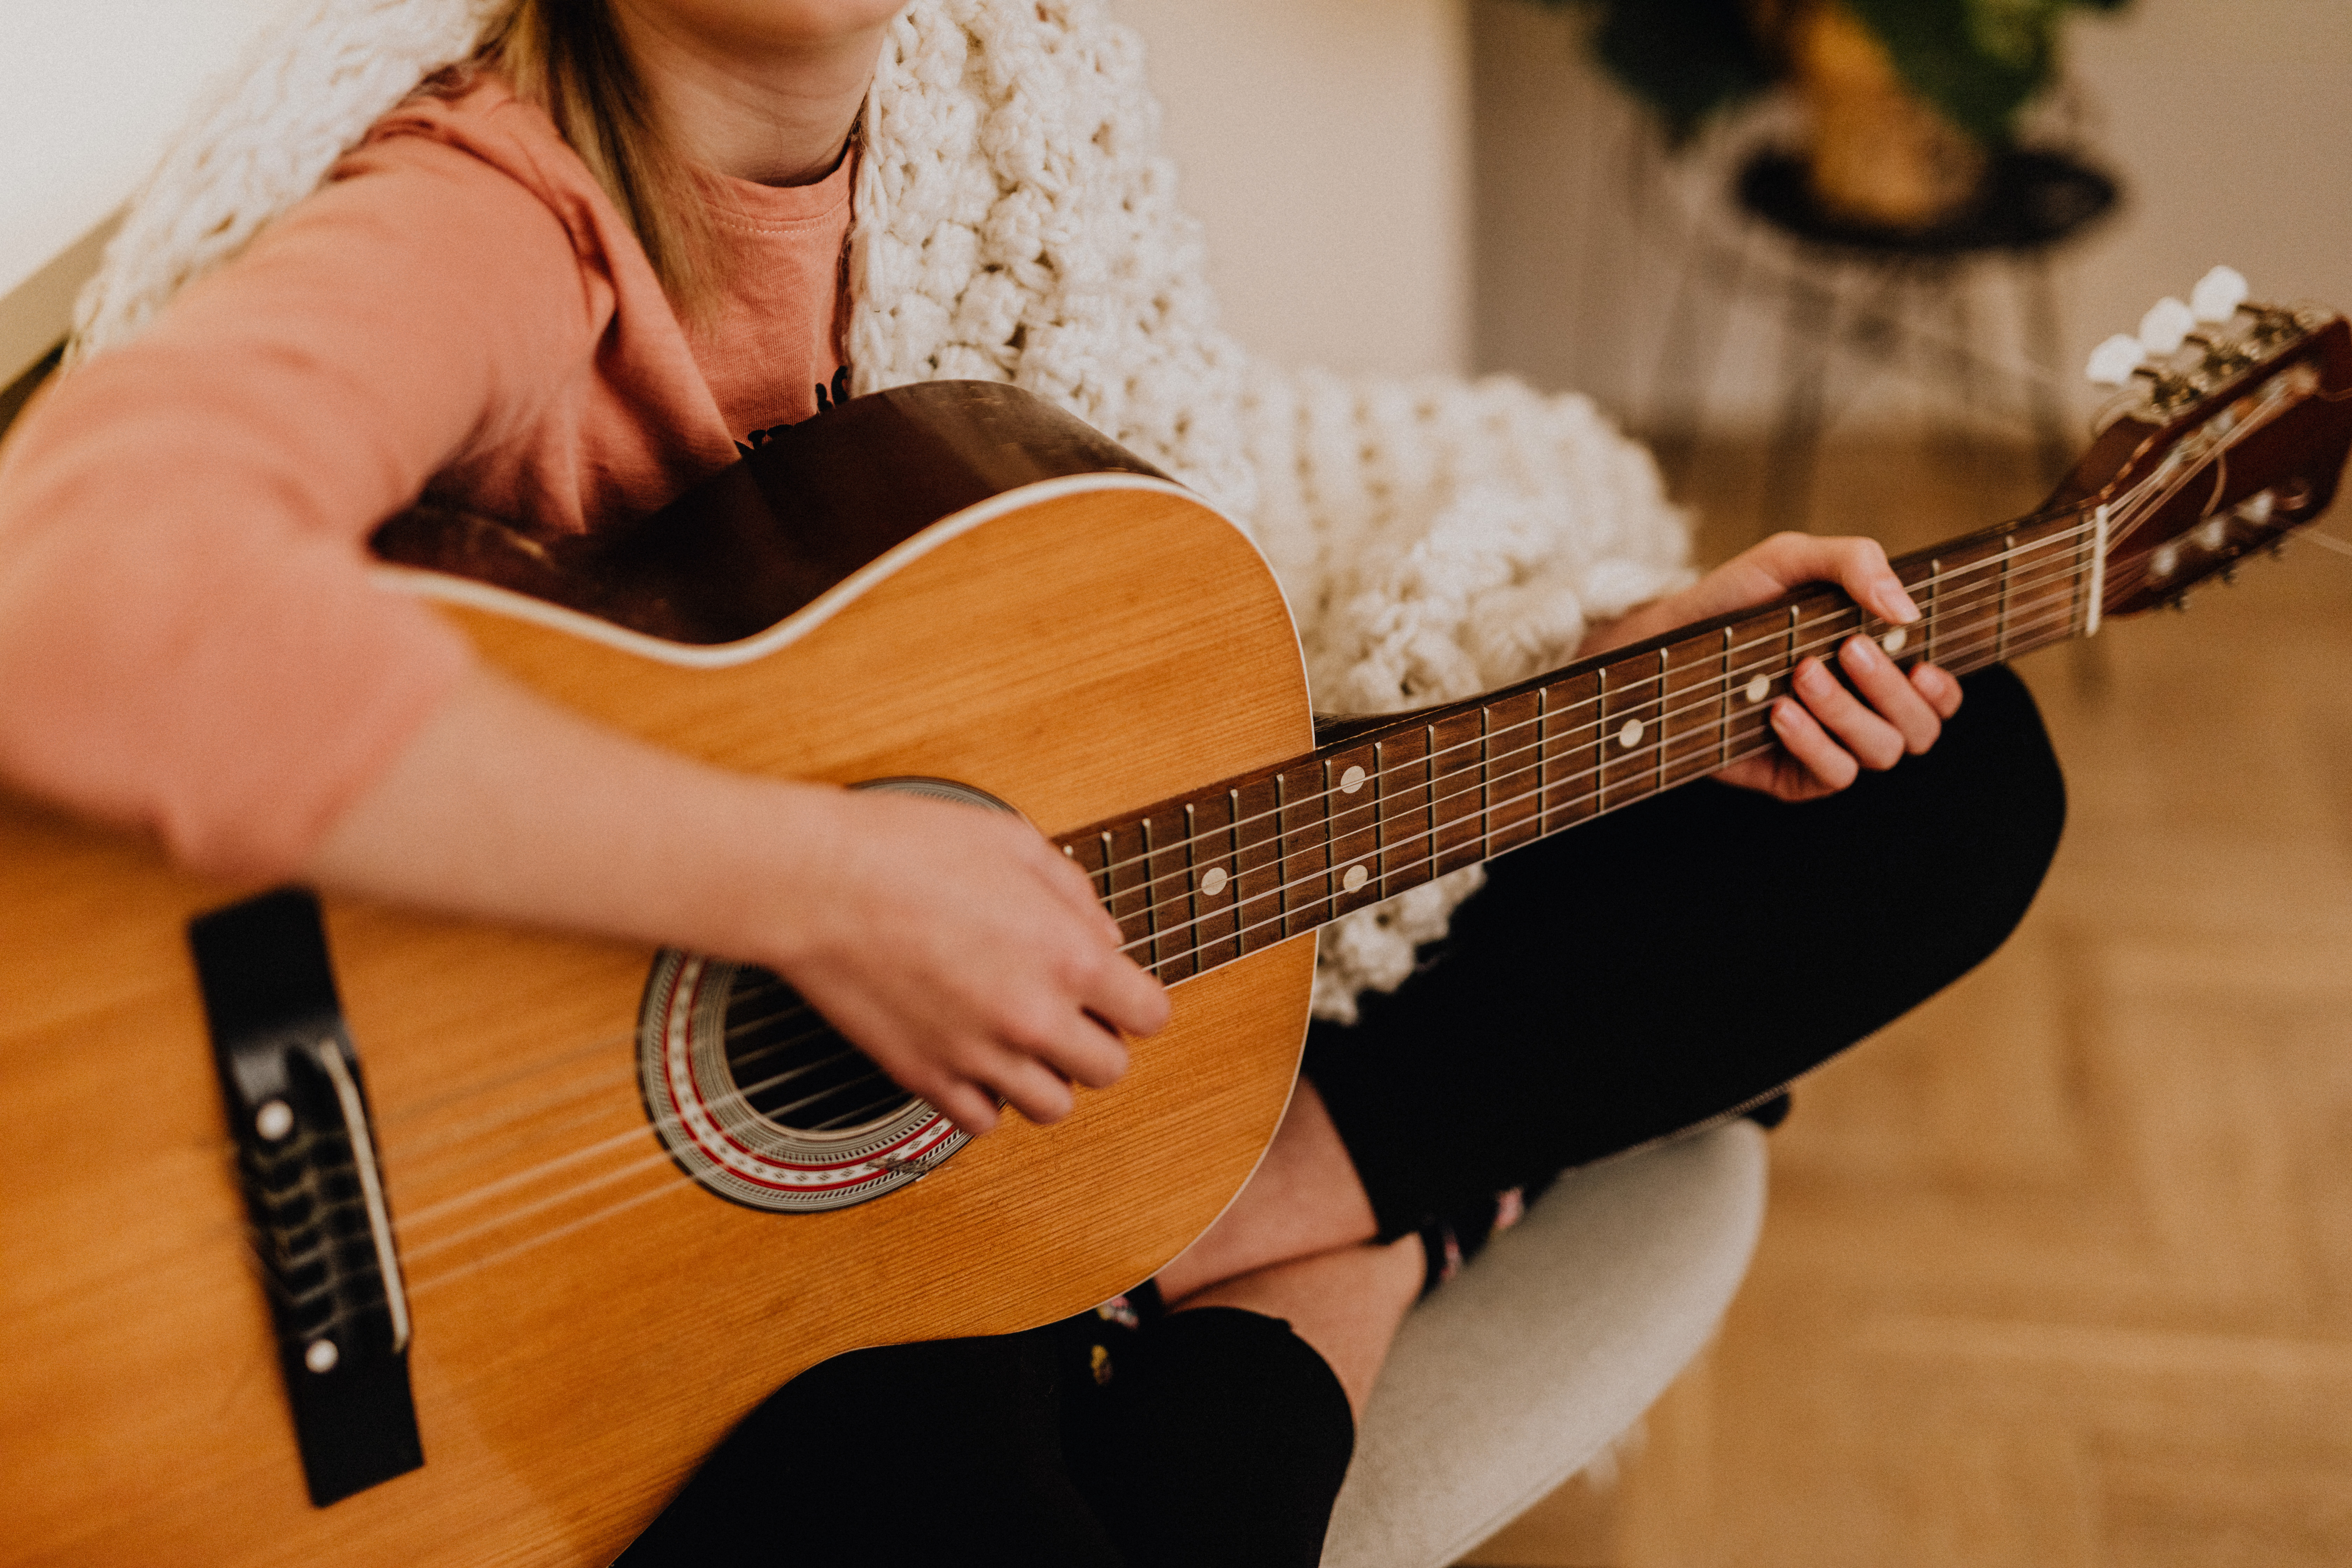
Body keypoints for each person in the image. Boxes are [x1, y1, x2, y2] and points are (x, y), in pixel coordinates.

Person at [0, 1, 2065, 1563]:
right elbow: (77, 599)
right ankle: (1372, 1240)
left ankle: (1271, 1206)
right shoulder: (489, 211)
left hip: (984, 1020)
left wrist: (1590, 668)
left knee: (1942, 776)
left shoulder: (1002, 102)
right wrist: (814, 892)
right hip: (566, 1255)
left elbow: (1182, 614)